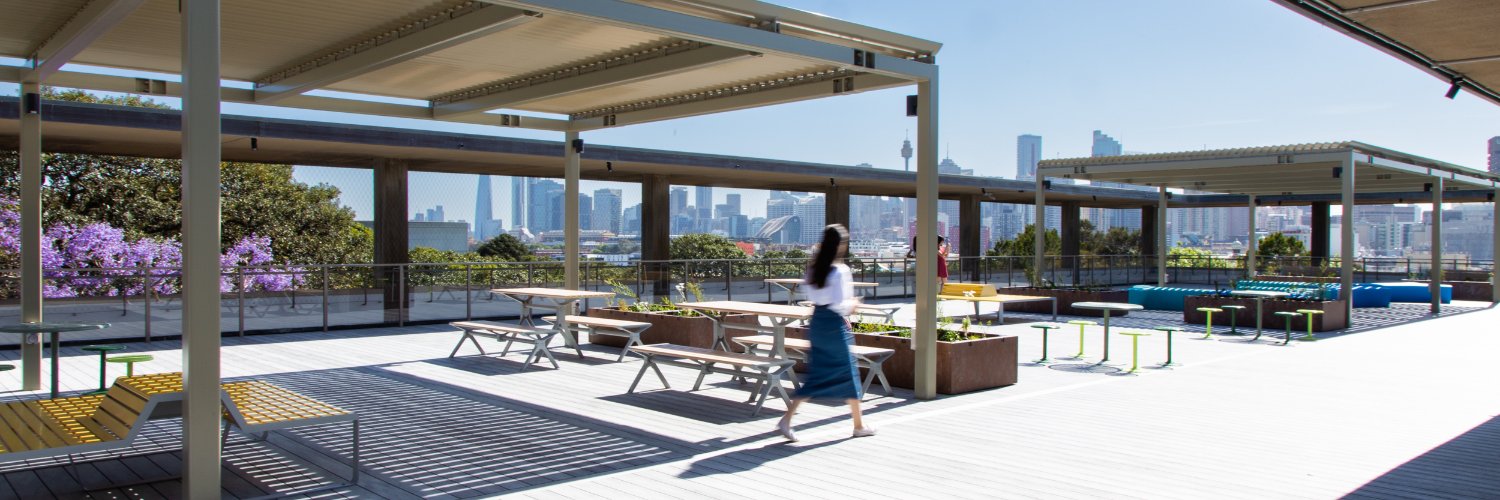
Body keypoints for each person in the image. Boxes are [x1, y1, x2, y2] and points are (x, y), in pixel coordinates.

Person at [778, 224, 874, 441]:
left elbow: (813, 296)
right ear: (840, 245)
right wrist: (854, 304)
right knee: (849, 373)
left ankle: (787, 419)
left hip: (818, 322)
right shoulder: (840, 270)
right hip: (834, 326)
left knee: (818, 374)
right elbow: (841, 304)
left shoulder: (813, 268)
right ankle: (858, 425)